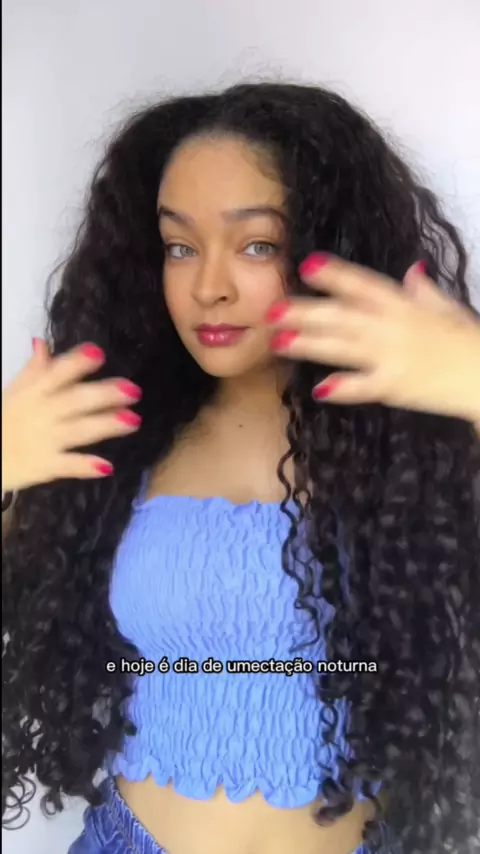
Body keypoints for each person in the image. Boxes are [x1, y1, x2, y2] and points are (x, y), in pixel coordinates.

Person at [2, 82, 480, 854]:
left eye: (257, 244)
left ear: (328, 243)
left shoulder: (417, 449)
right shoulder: (112, 437)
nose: (208, 287)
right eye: (179, 246)